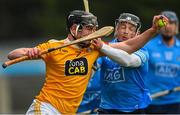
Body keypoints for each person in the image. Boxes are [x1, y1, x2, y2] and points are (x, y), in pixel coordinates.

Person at [7, 10, 167, 114]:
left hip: (69, 111)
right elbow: (13, 54)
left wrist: (153, 30)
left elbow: (129, 46)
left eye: (94, 28)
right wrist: (30, 52)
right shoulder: (54, 46)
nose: (94, 32)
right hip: (46, 107)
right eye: (89, 28)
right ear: (75, 28)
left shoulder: (94, 48)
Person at [91, 13, 151, 114]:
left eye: (131, 29)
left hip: (134, 108)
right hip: (107, 107)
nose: (126, 32)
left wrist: (103, 47)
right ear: (116, 29)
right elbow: (92, 70)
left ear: (138, 33)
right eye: (122, 27)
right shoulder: (103, 48)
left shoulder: (142, 50)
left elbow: (127, 61)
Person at [145, 11, 180, 114]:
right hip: (152, 101)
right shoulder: (148, 46)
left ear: (176, 26)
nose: (168, 27)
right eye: (165, 23)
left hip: (175, 102)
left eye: (172, 23)